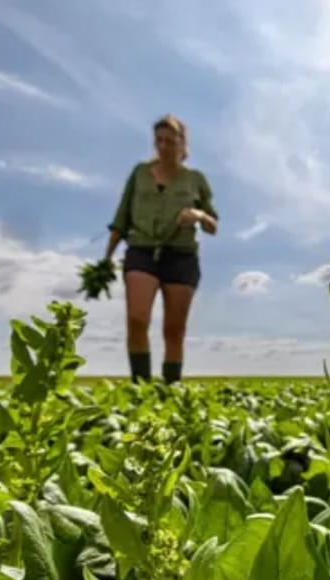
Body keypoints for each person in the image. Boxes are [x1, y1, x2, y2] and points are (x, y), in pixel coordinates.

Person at [103, 114, 219, 384]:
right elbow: (121, 217)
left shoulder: (196, 179)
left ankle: (170, 391)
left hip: (181, 257)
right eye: (159, 141)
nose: (164, 146)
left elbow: (214, 225)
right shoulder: (140, 173)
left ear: (182, 143)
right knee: (136, 320)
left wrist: (199, 215)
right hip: (142, 252)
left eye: (171, 140)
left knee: (174, 330)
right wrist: (107, 259)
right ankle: (140, 388)